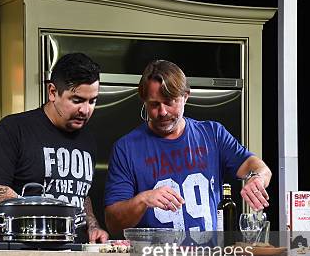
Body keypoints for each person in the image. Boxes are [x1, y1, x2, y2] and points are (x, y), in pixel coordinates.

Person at [104, 60, 272, 239]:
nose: (162, 112)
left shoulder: (213, 134)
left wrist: (257, 178)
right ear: (144, 101)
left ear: (185, 96)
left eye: (169, 102)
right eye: (154, 104)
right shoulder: (126, 148)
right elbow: (114, 224)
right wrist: (143, 199)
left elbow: (259, 167)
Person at [0, 53, 108, 243]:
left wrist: (93, 225)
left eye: (92, 101)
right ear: (53, 92)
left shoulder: (88, 139)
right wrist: (42, 213)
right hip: (25, 254)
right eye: (77, 100)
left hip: (76, 255)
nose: (85, 110)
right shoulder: (14, 129)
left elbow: (80, 192)